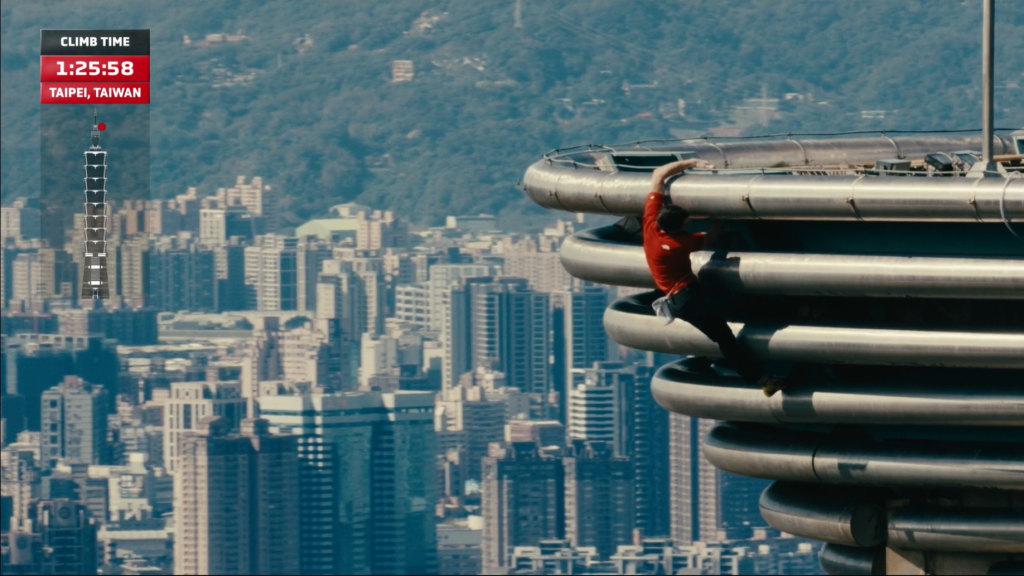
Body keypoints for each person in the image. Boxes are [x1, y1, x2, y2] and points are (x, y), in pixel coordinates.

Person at [643, 159, 783, 396]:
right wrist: (723, 216)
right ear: (677, 227)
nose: (689, 223)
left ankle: (762, 380)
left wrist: (692, 162)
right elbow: (712, 238)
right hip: (691, 296)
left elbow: (658, 174)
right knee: (746, 302)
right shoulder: (679, 242)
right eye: (686, 222)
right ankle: (801, 312)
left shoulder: (650, 225)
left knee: (724, 339)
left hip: (678, 302)